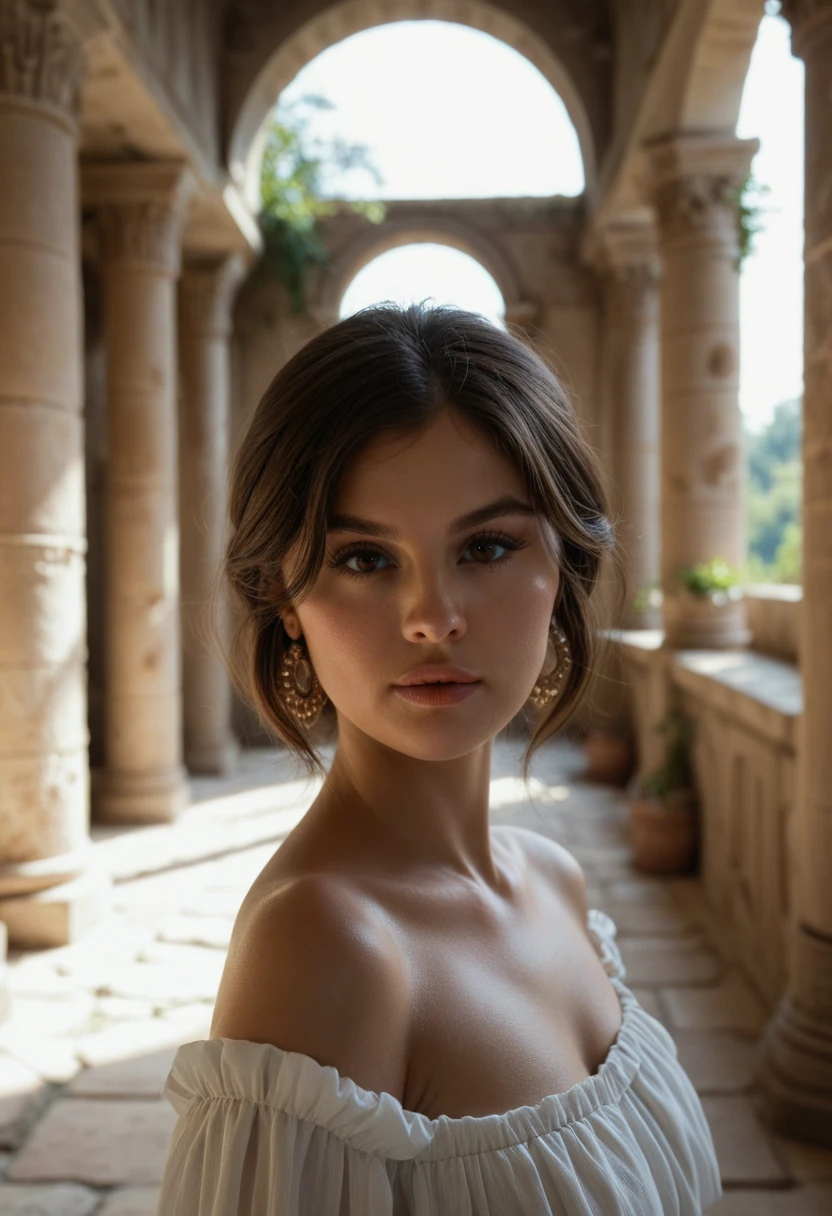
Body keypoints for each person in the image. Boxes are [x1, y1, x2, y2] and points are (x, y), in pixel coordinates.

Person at [156, 304, 722, 1214]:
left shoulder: (559, 883)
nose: (433, 615)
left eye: (487, 546)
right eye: (365, 558)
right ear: (284, 597)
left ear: (562, 566)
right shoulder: (325, 951)